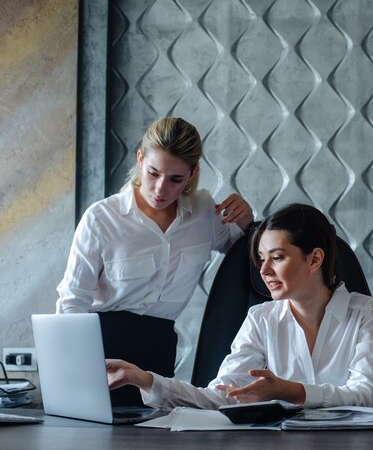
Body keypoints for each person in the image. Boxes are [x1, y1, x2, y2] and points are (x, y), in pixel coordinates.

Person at [105, 204, 373, 410]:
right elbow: (221, 395)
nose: (264, 270)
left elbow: (366, 395)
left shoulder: (366, 312)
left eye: (276, 257)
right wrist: (145, 380)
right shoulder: (261, 318)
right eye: (261, 258)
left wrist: (289, 391)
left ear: (314, 260)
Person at [56, 117, 253, 405]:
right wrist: (78, 368)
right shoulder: (102, 218)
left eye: (176, 179)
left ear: (193, 174)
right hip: (102, 348)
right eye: (153, 173)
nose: (161, 189)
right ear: (140, 160)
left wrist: (248, 226)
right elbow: (72, 300)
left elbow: (250, 263)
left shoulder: (204, 213)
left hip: (158, 350)